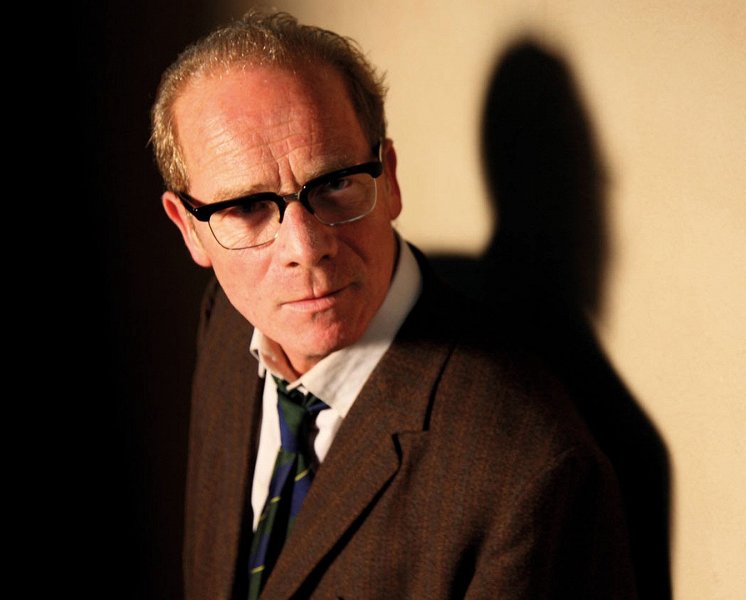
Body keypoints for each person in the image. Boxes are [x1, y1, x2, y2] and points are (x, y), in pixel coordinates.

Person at [153, 10, 636, 599]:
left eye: (334, 183)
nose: (305, 249)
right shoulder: (227, 320)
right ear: (190, 229)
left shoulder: (532, 470)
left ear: (390, 180)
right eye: (247, 208)